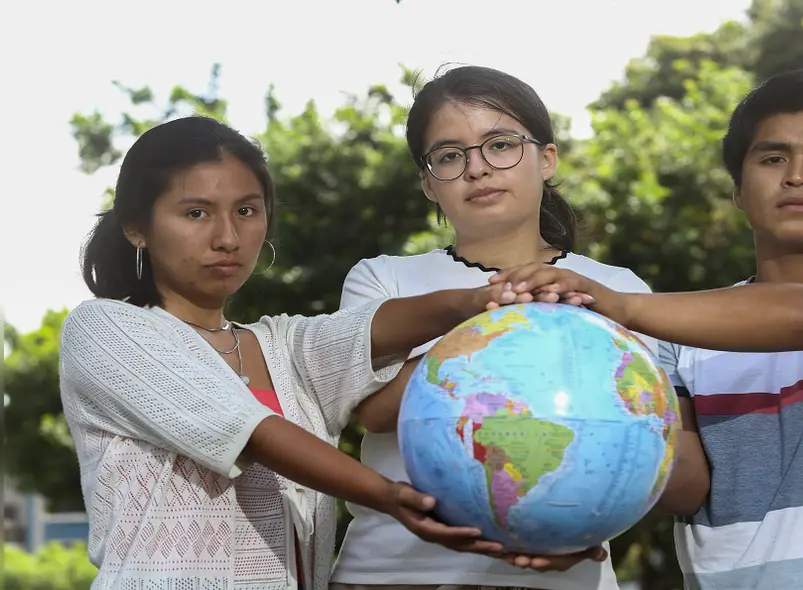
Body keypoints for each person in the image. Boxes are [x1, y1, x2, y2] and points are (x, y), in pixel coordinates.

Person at [486, 70, 803, 589]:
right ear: (739, 192)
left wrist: (621, 306)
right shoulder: (678, 336)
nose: (797, 176)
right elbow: (684, 489)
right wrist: (566, 478)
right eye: (772, 158)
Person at [59, 116, 537, 590]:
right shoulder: (105, 329)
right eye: (196, 213)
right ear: (136, 229)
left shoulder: (281, 347)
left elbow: (366, 329)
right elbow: (249, 431)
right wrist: (391, 498)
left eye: (246, 211)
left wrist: (483, 300)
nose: (228, 237)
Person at [329, 65, 710, 590]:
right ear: (427, 183)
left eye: (500, 145)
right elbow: (371, 409)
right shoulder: (384, 278)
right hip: (396, 573)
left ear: (547, 158)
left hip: (567, 575)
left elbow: (672, 465)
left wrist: (590, 531)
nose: (478, 169)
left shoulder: (617, 290)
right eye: (449, 156)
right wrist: (495, 317)